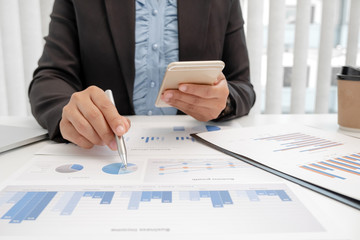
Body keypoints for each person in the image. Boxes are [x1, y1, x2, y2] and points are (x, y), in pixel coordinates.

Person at [29, 0, 256, 151]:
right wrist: (71, 114)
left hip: (194, 148)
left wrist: (223, 102)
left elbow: (242, 85)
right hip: (107, 151)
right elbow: (51, 76)